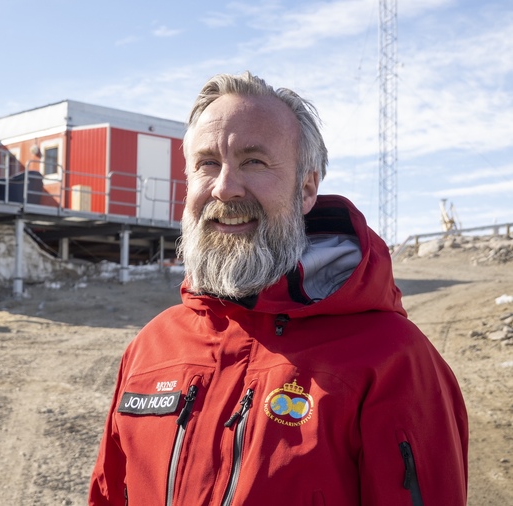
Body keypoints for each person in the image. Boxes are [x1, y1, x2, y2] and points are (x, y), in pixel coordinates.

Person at [88, 71, 468, 506]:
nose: (225, 187)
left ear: (306, 188)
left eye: (254, 161)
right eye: (207, 163)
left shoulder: (393, 362)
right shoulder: (151, 347)